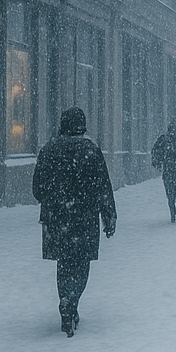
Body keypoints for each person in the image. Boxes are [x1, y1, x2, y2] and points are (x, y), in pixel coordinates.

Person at [32, 108, 117, 337]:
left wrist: (55, 201)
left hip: (57, 219)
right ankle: (73, 300)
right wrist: (109, 216)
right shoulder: (91, 150)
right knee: (81, 263)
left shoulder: (49, 149)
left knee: (63, 262)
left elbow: (37, 189)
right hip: (84, 218)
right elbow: (103, 187)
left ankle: (65, 299)